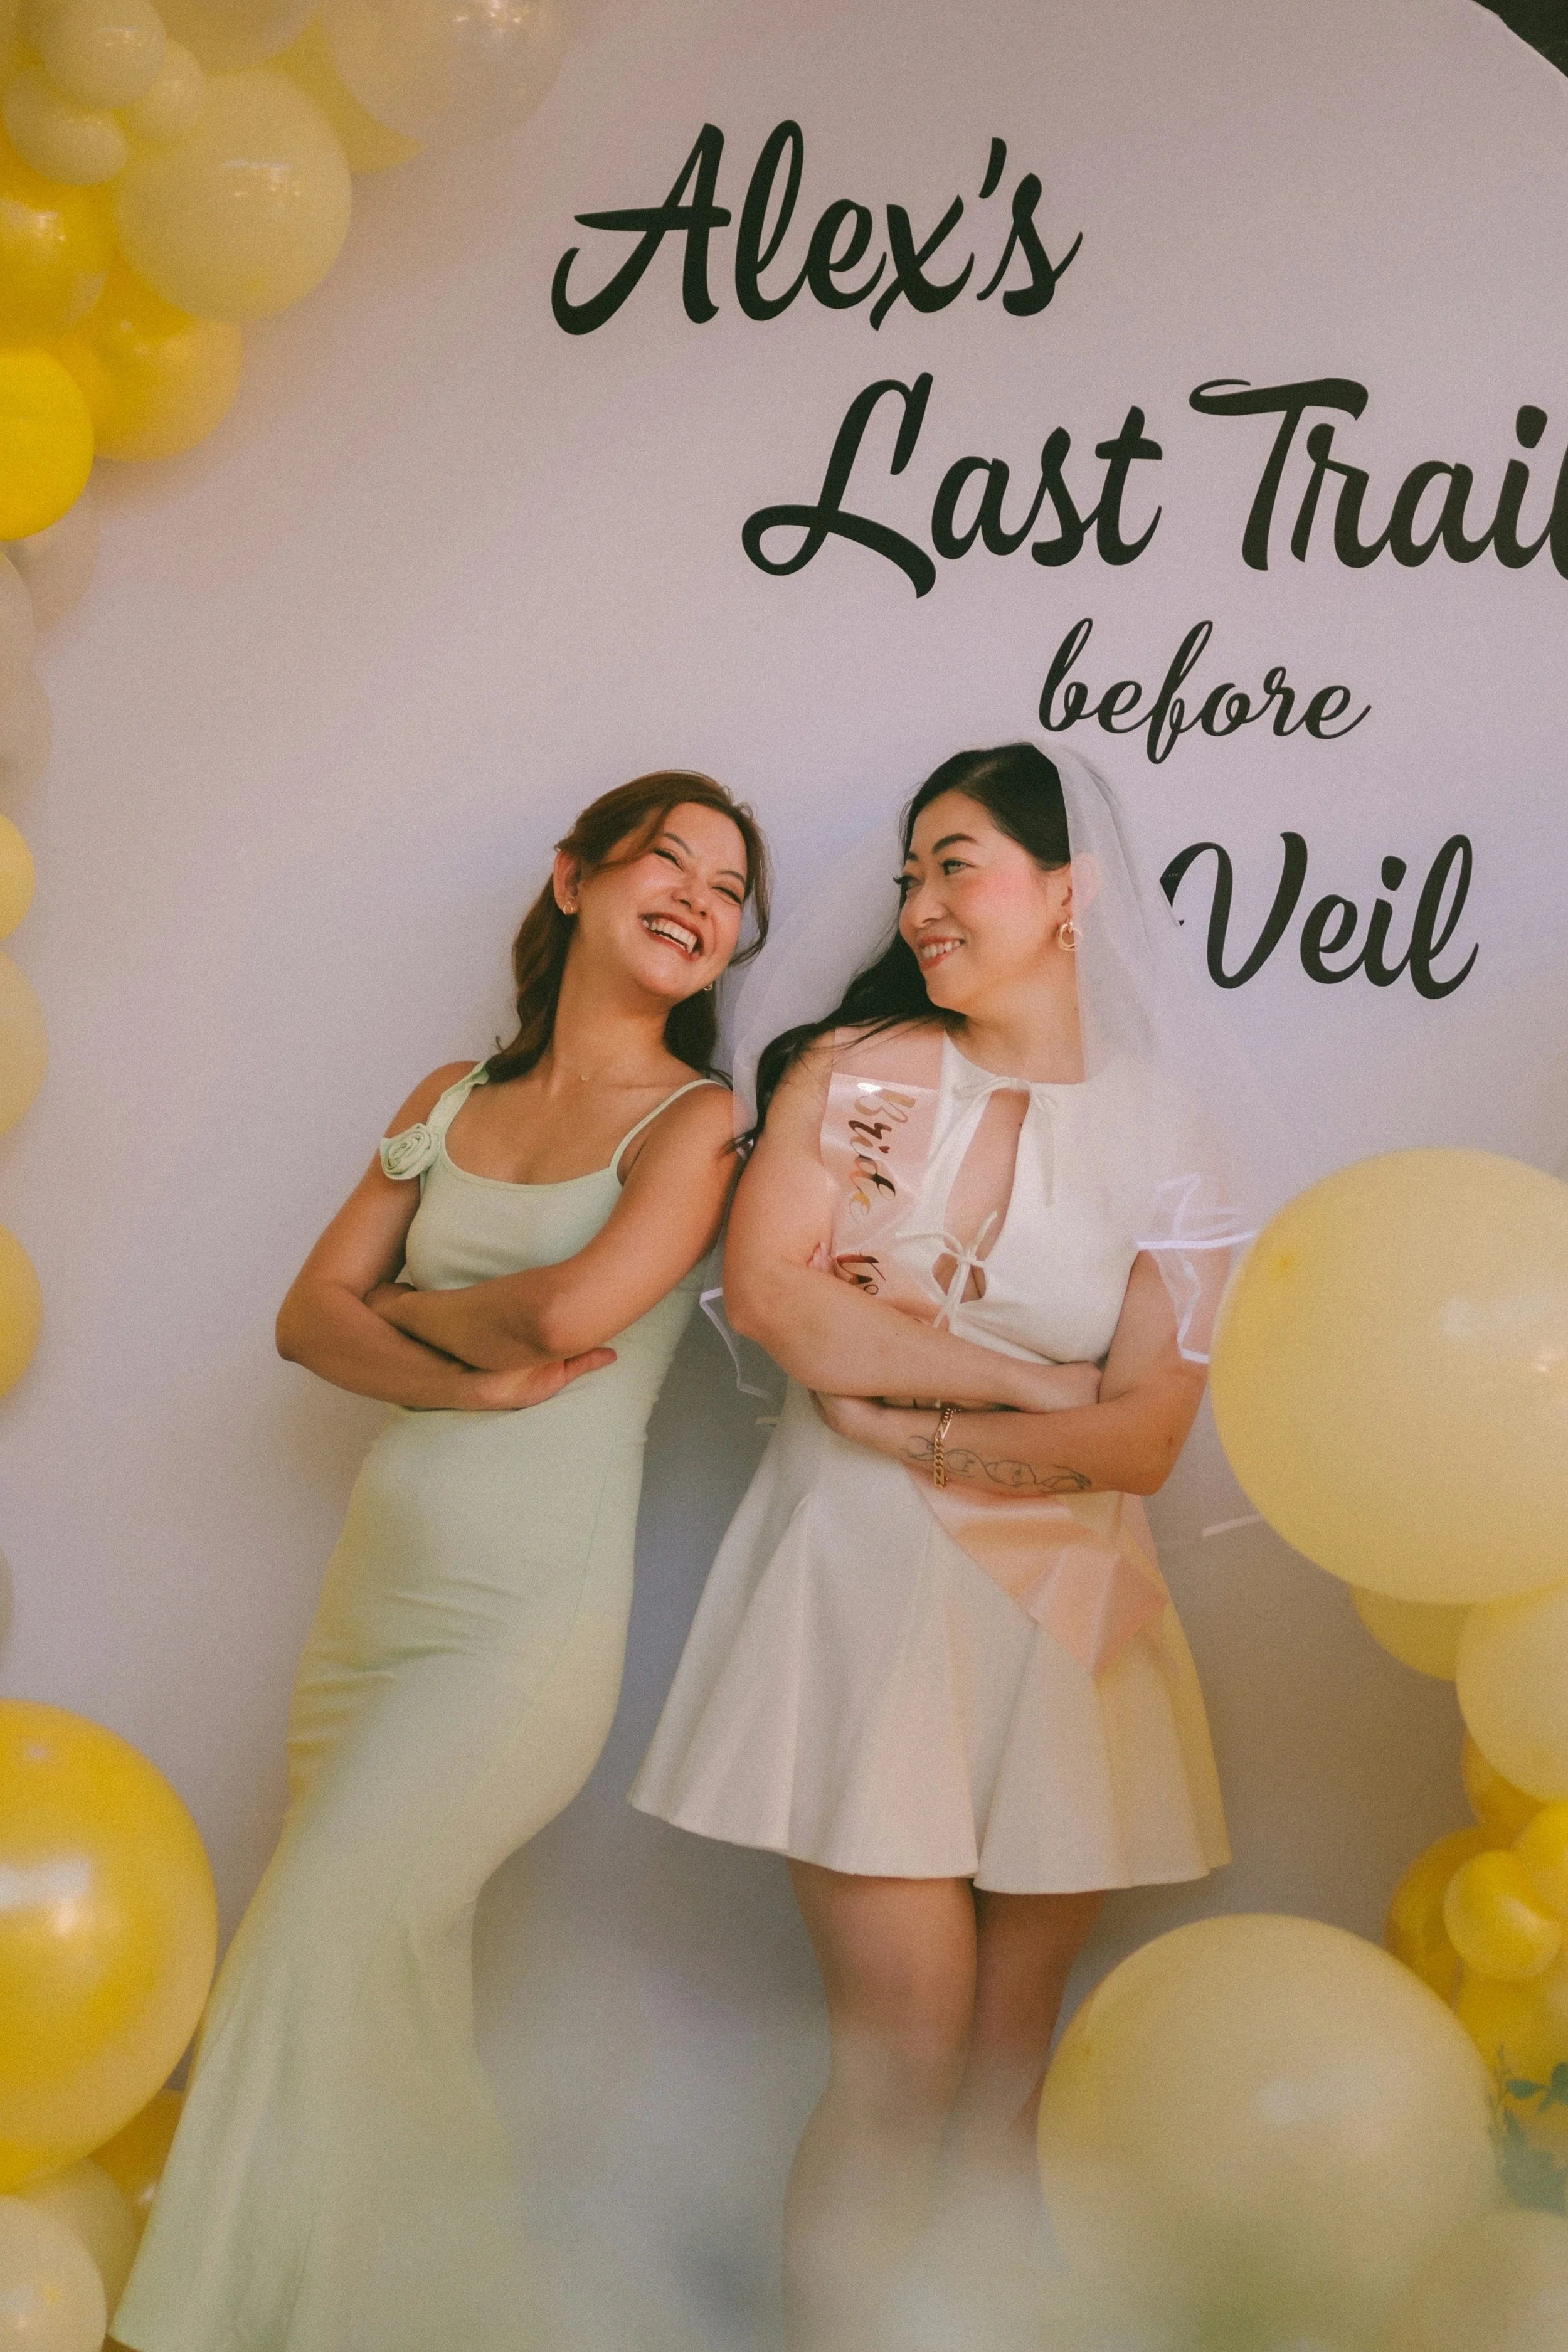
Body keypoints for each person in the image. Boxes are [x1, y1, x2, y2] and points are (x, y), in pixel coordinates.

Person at [114, 771, 770, 2352]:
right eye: (664, 861)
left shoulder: (701, 1121)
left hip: (520, 1622)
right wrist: (461, 1360)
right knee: (385, 1997)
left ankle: (168, 2333)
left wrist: (403, 1320)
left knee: (308, 1942)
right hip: (371, 1612)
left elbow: (565, 1316)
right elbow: (299, 1316)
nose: (698, 896)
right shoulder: (447, 1094)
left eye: (730, 887)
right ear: (571, 881)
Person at [630, 743, 1261, 2352]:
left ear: (1070, 891)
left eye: (955, 864)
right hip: (856, 1602)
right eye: (910, 873)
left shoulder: (1168, 1131)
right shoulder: (847, 1074)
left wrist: (913, 1423)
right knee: (896, 2045)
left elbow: (1140, 1438)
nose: (918, 905)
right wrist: (1017, 1381)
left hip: (1059, 1622)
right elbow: (778, 1302)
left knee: (1005, 2066)